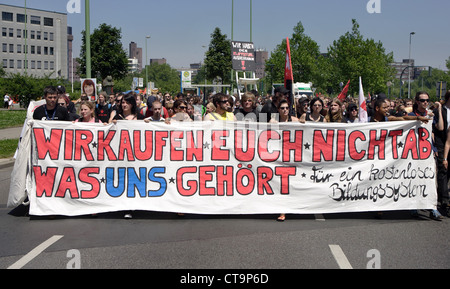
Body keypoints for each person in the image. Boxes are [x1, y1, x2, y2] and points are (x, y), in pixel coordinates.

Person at [270, 100, 299, 222]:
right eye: (282, 108)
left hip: (293, 156)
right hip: (278, 156)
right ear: (278, 110)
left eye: (287, 108)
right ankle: (282, 210)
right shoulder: (274, 120)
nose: (285, 110)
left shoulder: (294, 120)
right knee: (281, 184)